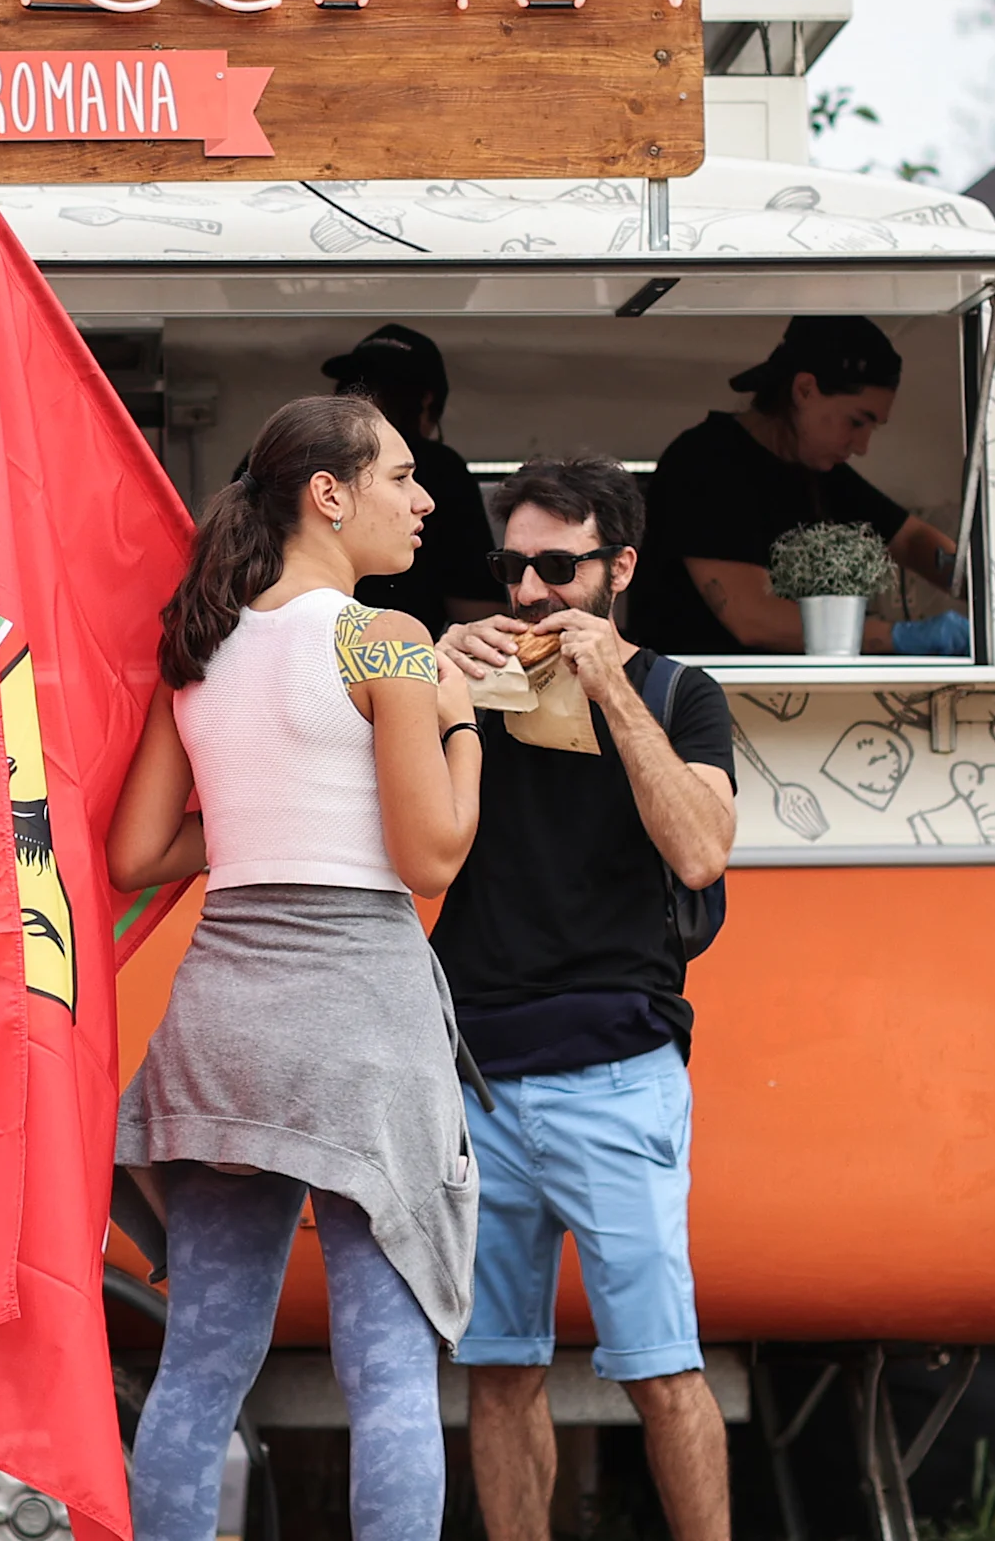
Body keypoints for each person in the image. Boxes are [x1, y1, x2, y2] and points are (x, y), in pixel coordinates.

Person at [106, 395, 486, 1541]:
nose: (423, 503)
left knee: (201, 1364)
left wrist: (259, 816)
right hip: (359, 1020)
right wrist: (460, 726)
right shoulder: (387, 640)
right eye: (401, 478)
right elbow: (430, 857)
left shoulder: (202, 640)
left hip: (222, 1017)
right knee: (387, 1376)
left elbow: (133, 852)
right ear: (328, 494)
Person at [434, 459, 740, 1541]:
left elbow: (701, 852)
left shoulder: (673, 693)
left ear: (618, 567)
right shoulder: (460, 678)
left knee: (660, 1371)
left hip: (615, 1078)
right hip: (472, 1085)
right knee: (497, 1373)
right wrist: (424, 681)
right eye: (511, 566)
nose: (529, 593)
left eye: (556, 568)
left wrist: (609, 685)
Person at [627, 315, 969, 657]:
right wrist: (900, 637)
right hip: (692, 694)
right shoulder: (705, 461)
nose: (862, 446)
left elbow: (911, 540)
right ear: (804, 390)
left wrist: (989, 587)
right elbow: (752, 617)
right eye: (856, 421)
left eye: (872, 428)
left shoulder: (818, 470)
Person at [324, 323, 502, 637]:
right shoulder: (442, 469)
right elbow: (477, 611)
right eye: (400, 478)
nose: (423, 503)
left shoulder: (273, 456)